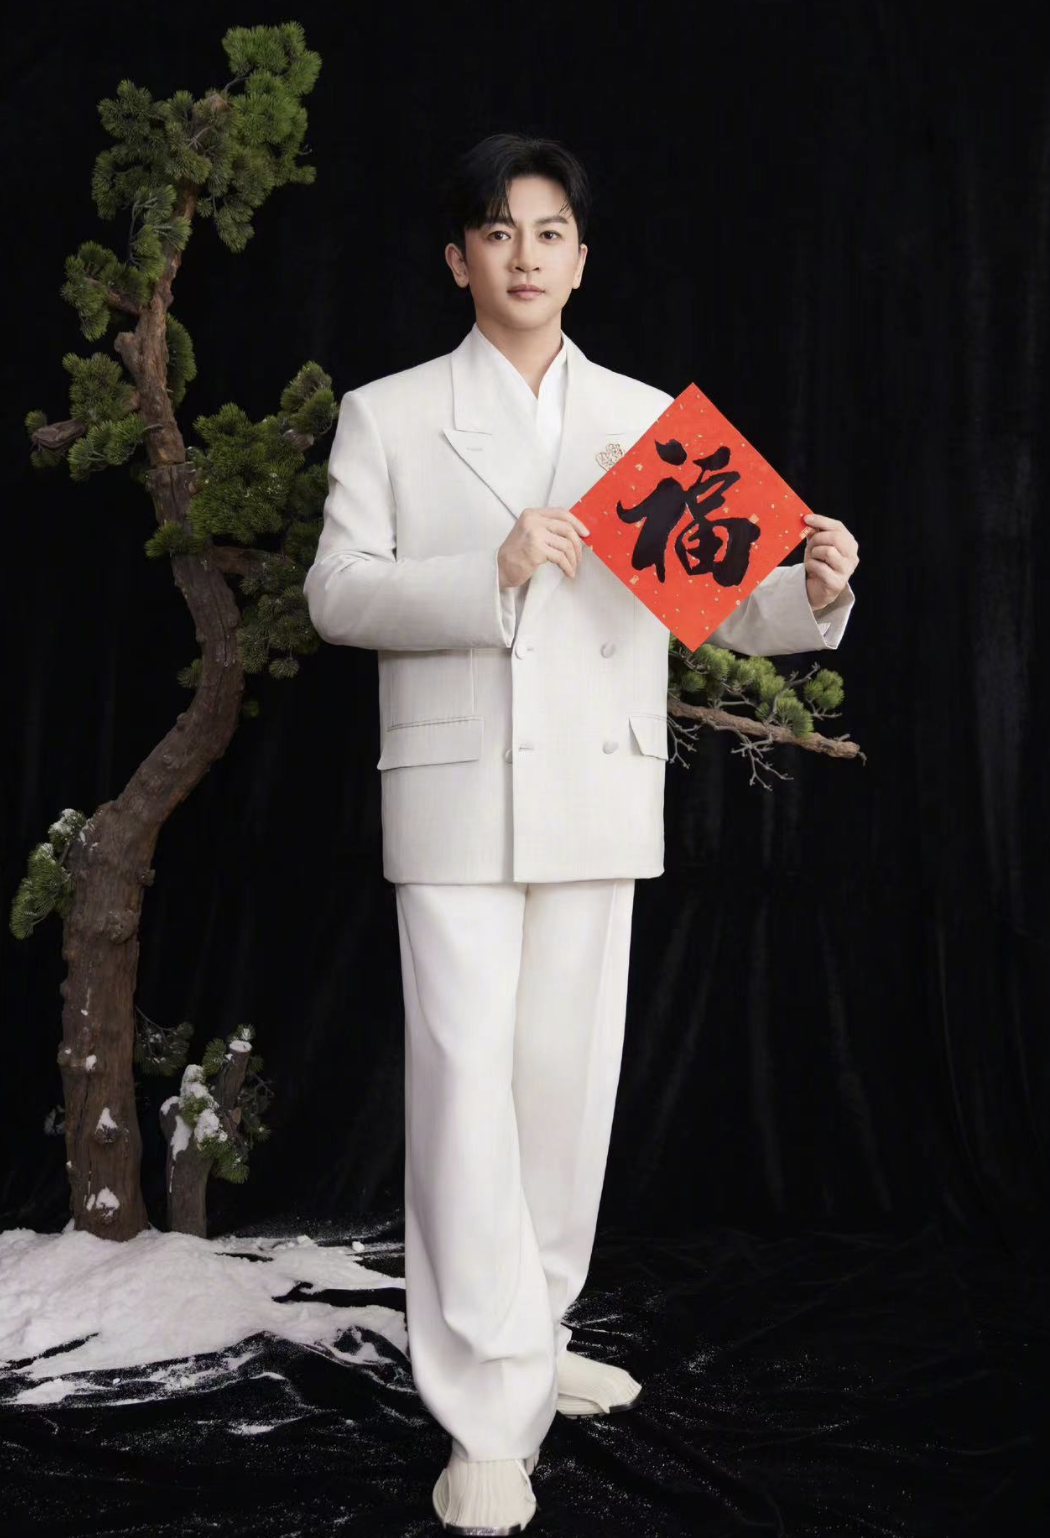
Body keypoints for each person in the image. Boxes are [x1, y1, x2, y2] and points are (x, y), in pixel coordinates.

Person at [303, 131, 859, 1534]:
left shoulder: (642, 420)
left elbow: (721, 607)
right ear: (459, 259)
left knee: (564, 1090)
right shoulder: (390, 413)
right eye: (498, 232)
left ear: (581, 257)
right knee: (464, 1099)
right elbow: (336, 593)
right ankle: (483, 1416)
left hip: (597, 792)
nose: (526, 255)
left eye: (548, 231)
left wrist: (812, 592)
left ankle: (532, 1337)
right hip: (456, 795)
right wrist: (483, 571)